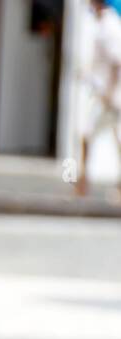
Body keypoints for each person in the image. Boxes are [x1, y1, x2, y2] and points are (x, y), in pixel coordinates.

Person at [78, 0, 121, 198]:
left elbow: (116, 62)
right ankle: (82, 183)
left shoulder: (110, 24)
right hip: (102, 92)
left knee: (90, 133)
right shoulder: (97, 22)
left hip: (109, 96)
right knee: (93, 134)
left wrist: (109, 93)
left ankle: (82, 184)